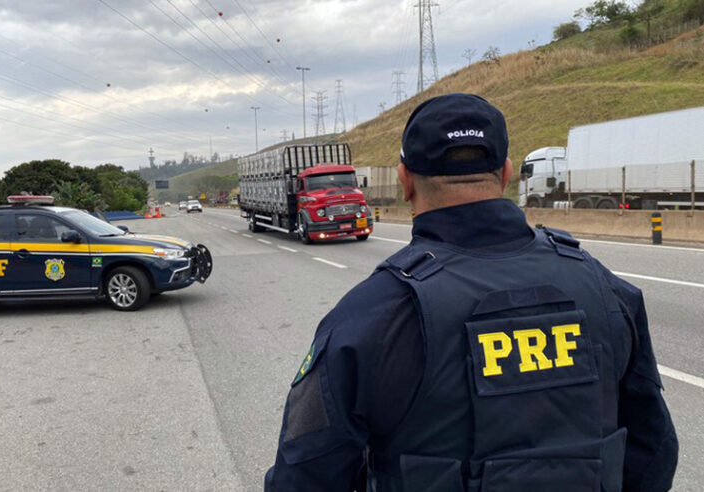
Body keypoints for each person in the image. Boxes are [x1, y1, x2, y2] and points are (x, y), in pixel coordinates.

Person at [265, 93, 678, 492]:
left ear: (406, 182)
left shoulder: (370, 316)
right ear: (506, 173)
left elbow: (302, 477)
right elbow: (654, 448)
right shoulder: (605, 289)